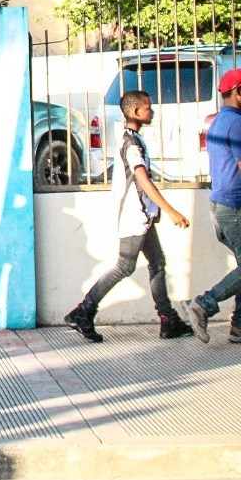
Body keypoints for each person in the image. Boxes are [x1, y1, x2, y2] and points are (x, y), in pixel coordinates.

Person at [64, 89, 192, 342]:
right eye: (148, 108)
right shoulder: (131, 143)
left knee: (157, 263)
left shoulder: (132, 139)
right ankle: (83, 311)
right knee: (125, 266)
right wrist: (171, 211)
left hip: (142, 216)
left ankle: (168, 320)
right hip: (135, 217)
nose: (151, 111)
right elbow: (142, 179)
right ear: (135, 112)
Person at [179, 68, 241, 343]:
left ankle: (239, 326)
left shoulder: (219, 120)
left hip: (221, 204)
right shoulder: (237, 122)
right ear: (238, 92)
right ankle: (204, 304)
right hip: (234, 205)